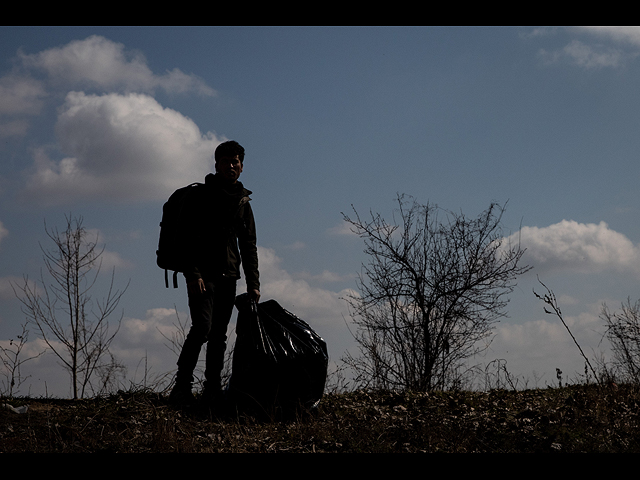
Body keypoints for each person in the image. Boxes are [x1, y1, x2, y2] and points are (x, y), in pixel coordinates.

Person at [169, 140, 260, 408]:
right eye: (226, 161)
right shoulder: (202, 196)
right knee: (202, 329)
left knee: (219, 335)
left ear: (242, 167)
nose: (231, 166)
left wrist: (254, 283)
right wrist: (193, 273)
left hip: (229, 276)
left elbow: (249, 245)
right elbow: (187, 237)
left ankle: (212, 391)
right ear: (216, 165)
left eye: (236, 162)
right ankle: (182, 388)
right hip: (202, 275)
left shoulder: (243, 201)